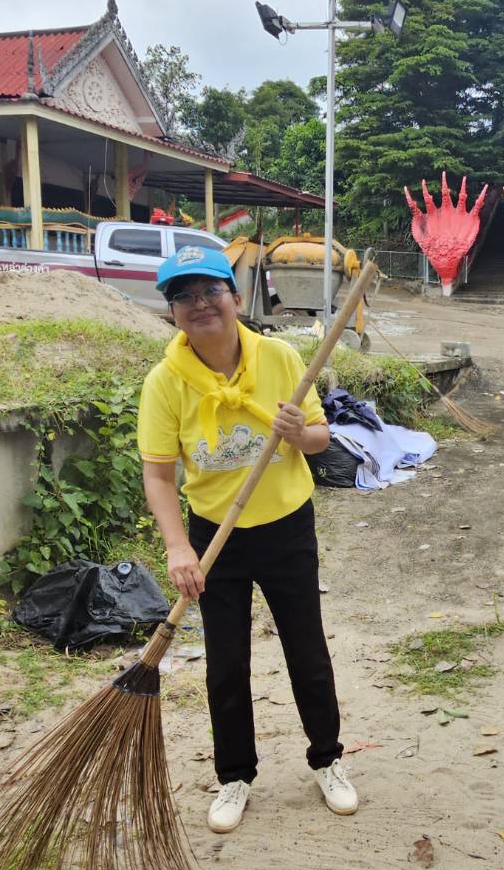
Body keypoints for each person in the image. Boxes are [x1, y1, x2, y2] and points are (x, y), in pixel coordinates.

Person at [137, 245, 356, 834]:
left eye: (210, 290)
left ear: (235, 296)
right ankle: (235, 775)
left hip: (286, 525)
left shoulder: (281, 358)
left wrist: (297, 433)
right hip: (215, 536)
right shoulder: (165, 383)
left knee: (306, 648)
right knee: (225, 662)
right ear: (172, 312)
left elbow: (319, 437)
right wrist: (179, 548)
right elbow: (159, 475)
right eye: (183, 296)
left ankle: (328, 760)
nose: (199, 304)